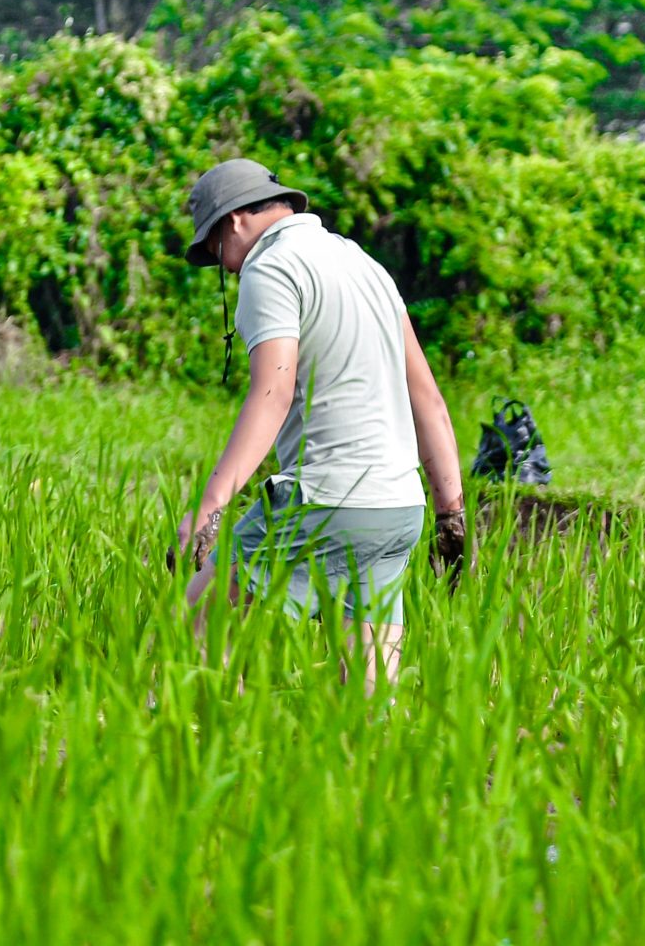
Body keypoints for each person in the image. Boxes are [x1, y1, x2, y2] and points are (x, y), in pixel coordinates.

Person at [172, 158, 469, 692]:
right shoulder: (364, 265)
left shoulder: (272, 268)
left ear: (232, 222)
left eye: (216, 253)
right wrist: (451, 513)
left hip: (325, 502)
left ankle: (183, 750)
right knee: (369, 695)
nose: (227, 268)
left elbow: (272, 392)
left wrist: (209, 507)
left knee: (191, 643)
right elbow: (429, 398)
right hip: (396, 510)